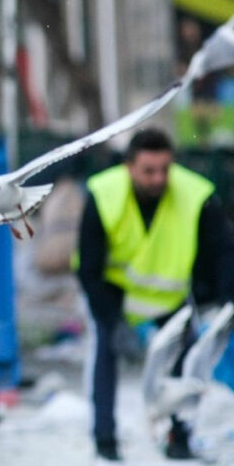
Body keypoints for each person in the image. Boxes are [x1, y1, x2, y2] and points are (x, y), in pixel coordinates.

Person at [74, 128, 234, 461]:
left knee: (189, 363)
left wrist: (225, 305)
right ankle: (105, 442)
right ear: (129, 166)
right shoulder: (104, 194)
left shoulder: (196, 194)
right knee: (104, 353)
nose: (158, 178)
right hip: (113, 293)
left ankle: (180, 435)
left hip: (169, 299)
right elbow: (88, 268)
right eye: (149, 171)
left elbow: (223, 254)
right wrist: (113, 322)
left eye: (165, 169)